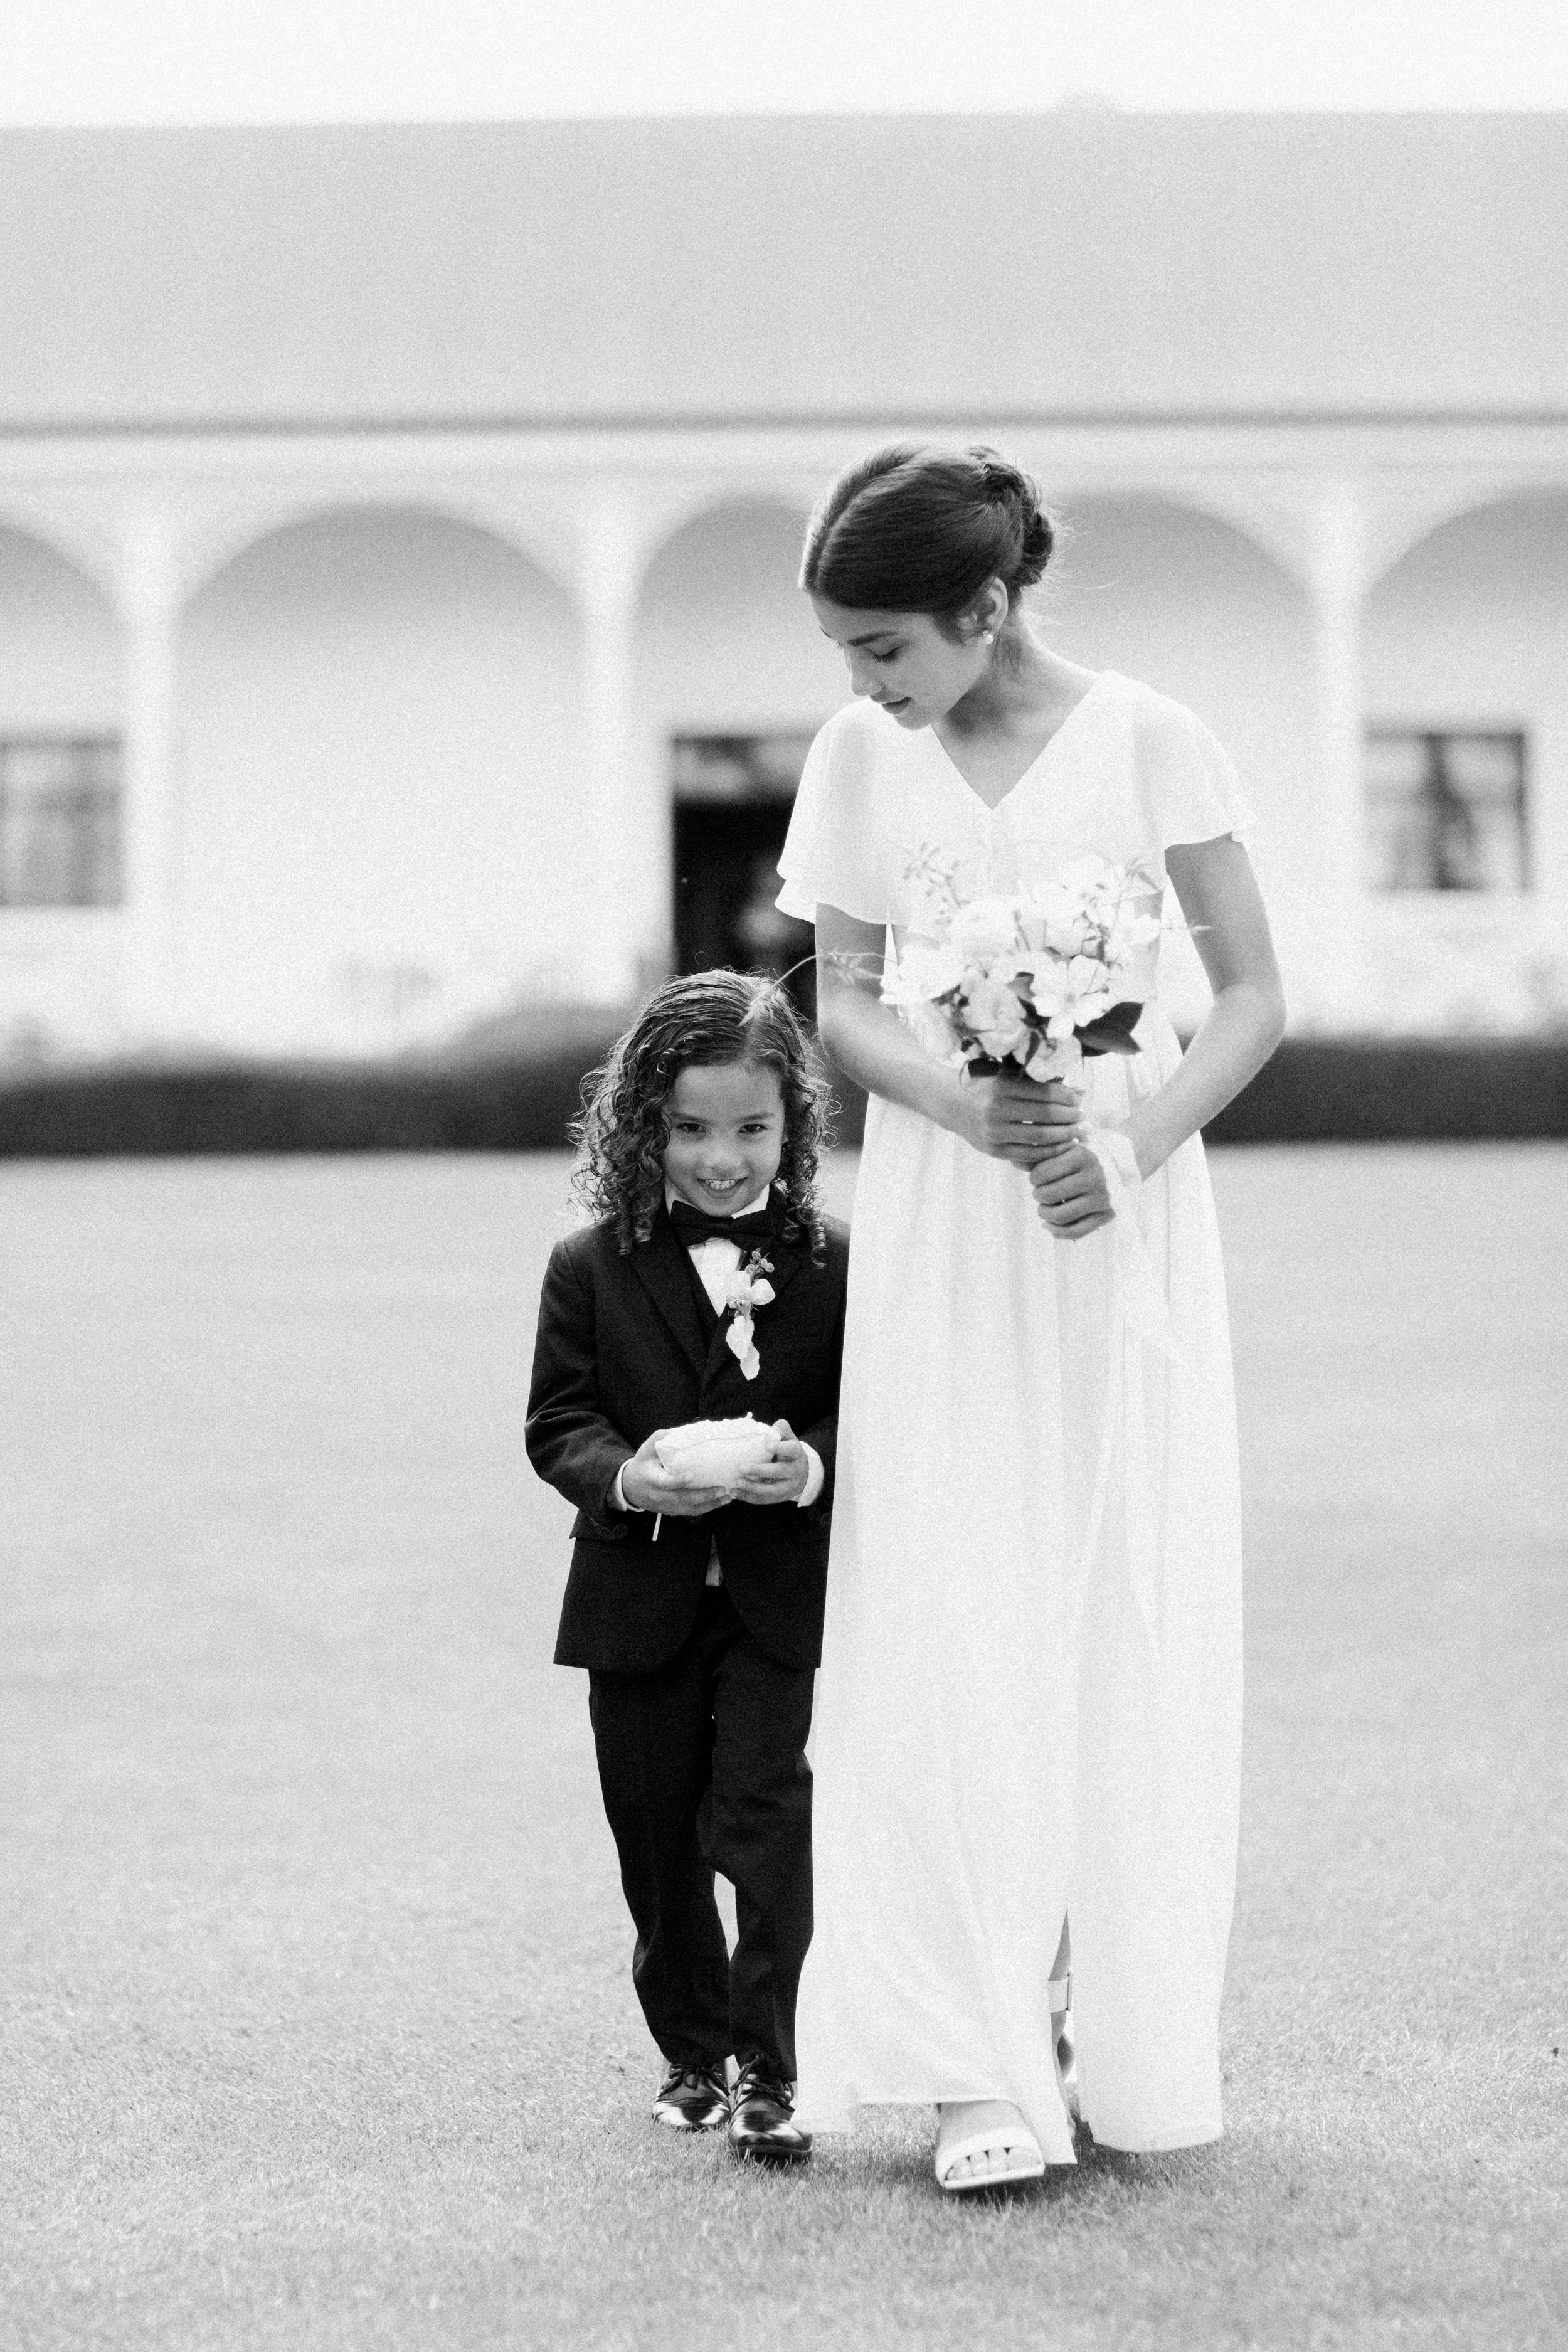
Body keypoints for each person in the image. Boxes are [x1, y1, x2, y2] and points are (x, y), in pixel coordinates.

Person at [775, 444, 1286, 2193]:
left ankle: (1115, 2029)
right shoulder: (861, 757)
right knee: (947, 1586)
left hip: (1117, 1223)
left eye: (887, 649)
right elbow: (840, 998)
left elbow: (1252, 995)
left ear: (985, 607)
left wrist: (1123, 1148)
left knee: (1110, 1581)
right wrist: (963, 1098)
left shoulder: (1151, 735)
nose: (864, 686)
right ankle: (973, 2058)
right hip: (944, 1214)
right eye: (846, 654)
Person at [525, 970, 849, 2163]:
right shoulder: (590, 1264)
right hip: (636, 1603)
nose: (723, 1159)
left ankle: (773, 2069)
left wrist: (805, 1469)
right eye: (692, 1129)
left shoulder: (835, 1262)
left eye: (751, 1130)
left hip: (775, 1603)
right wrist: (627, 1473)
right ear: (643, 1123)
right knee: (657, 1838)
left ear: (792, 1128)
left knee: (765, 1826)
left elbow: (862, 1420)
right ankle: (692, 2055)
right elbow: (556, 1421)